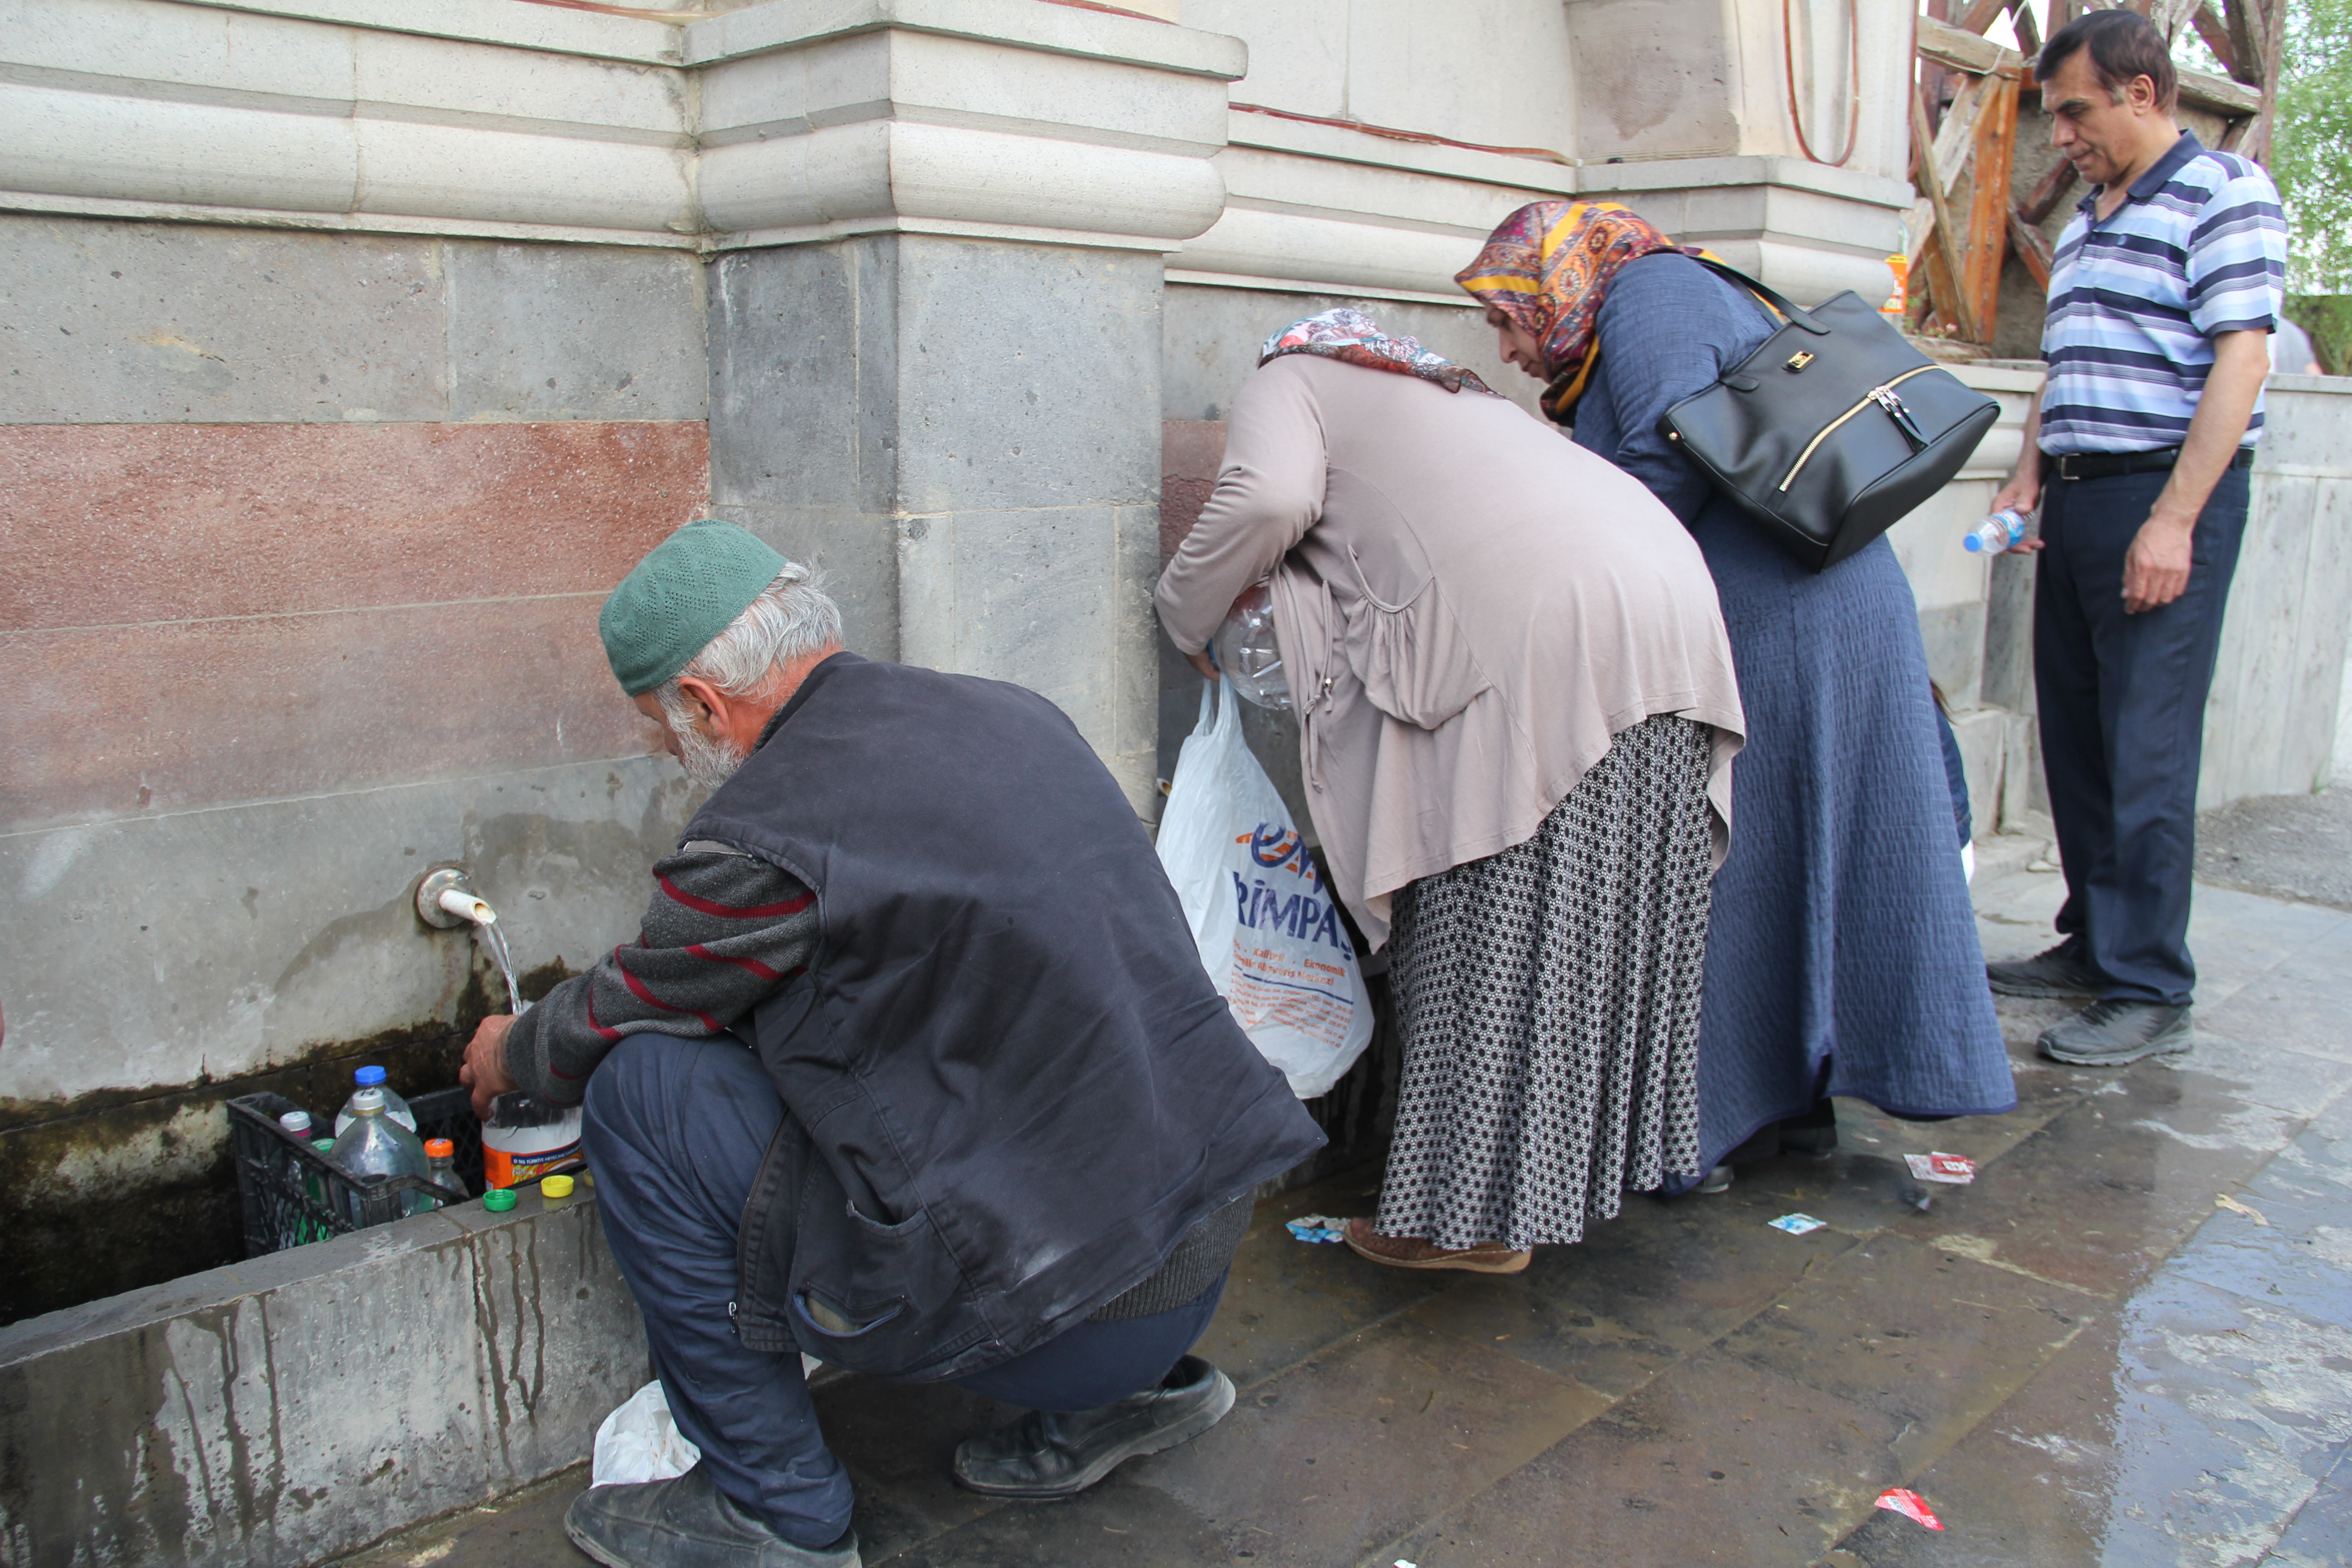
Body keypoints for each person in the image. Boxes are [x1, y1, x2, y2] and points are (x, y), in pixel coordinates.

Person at [461, 520, 1324, 1568]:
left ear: (702, 702)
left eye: (658, 727)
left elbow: (631, 1000)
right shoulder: (1008, 714)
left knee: (642, 1092)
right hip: (1195, 1261)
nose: (669, 750)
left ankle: (773, 1513)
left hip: (1070, 1326)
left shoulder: (762, 833)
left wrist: (509, 1051)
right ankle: (1131, 1401)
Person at [1155, 308, 1746, 1272]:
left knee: (1488, 921)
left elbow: (1266, 497)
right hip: (1674, 609)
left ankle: (1452, 1223)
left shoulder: (1289, 376)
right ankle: (1543, 1193)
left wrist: (1182, 608)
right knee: (1596, 924)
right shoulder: (1457, 394)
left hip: (1547, 631)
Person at [1457, 202, 2016, 1188]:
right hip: (1799, 609)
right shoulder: (1669, 293)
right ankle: (1782, 1108)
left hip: (1781, 622)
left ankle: (1702, 1127)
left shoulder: (1649, 292)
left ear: (1561, 278)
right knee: (1787, 852)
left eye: (1510, 316)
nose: (1508, 348)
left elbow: (1661, 466)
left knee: (1727, 863)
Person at [1985, 10, 2288, 1065]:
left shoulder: (2226, 196)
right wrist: (2029, 478)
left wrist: (2173, 522)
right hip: (2077, 496)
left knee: (2145, 742)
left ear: (2143, 93)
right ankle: (2093, 940)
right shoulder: (2088, 221)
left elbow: (2241, 363)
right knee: (2074, 730)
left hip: (2164, 496)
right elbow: (2064, 370)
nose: (2061, 134)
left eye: (2075, 111)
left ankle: (2152, 981)